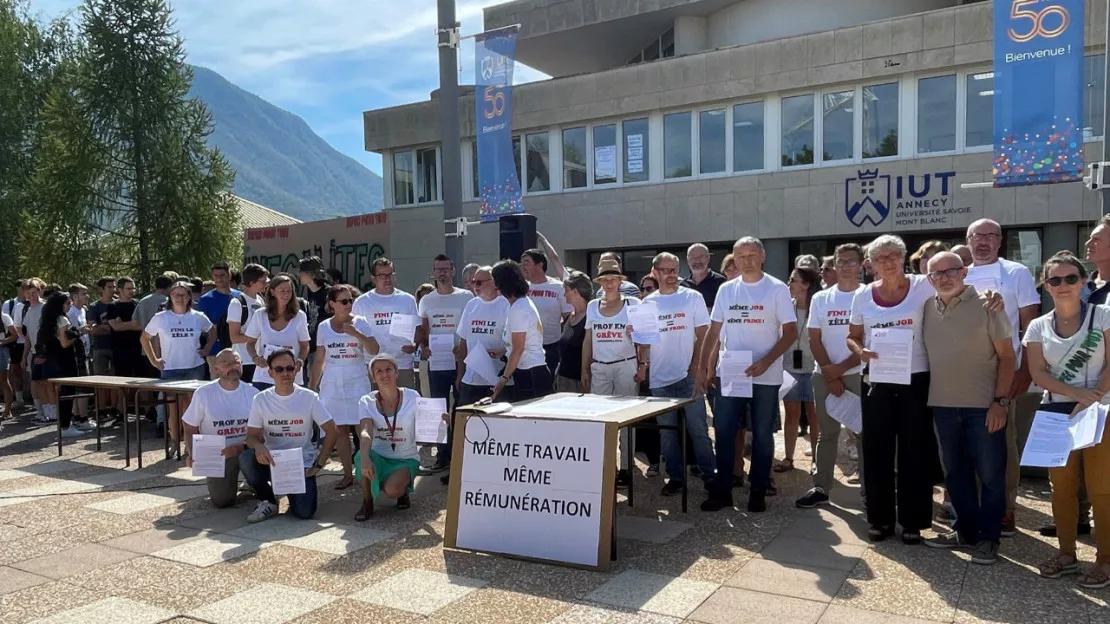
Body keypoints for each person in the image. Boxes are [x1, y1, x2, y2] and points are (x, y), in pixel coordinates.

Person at [920, 252, 1014, 565]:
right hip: (943, 406)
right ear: (929, 278)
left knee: (989, 475)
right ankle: (965, 530)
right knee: (955, 473)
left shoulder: (988, 305)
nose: (943, 277)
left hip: (983, 407)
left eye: (950, 271)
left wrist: (1000, 401)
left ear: (964, 273)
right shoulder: (926, 308)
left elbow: (1008, 357)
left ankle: (989, 538)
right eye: (936, 273)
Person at [1024, 253, 1110, 587]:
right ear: (1046, 286)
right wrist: (1077, 395)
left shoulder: (1102, 315)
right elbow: (1038, 373)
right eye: (1055, 280)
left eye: (1070, 278)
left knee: (1102, 488)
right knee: (1060, 488)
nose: (1063, 285)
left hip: (1101, 411)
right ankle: (1066, 553)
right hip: (1057, 412)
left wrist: (1093, 396)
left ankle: (1104, 560)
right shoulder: (1037, 325)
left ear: (1084, 282)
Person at [846, 235, 939, 543]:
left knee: (916, 449)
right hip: (877, 379)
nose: (887, 262)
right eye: (880, 258)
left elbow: (959, 291)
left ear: (903, 257)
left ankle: (913, 521)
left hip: (916, 377)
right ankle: (880, 520)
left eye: (893, 256)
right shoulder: (862, 295)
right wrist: (859, 351)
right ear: (871, 264)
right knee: (876, 449)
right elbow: (853, 336)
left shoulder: (924, 285)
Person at [700, 238, 797, 513]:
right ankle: (723, 491)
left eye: (752, 254)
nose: (747, 260)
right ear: (734, 259)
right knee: (724, 429)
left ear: (763, 256)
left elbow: (790, 332)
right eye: (741, 256)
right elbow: (714, 330)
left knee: (763, 434)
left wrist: (767, 361)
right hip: (732, 370)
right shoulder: (727, 290)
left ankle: (758, 491)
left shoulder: (776, 289)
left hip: (766, 373)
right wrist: (707, 367)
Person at [964, 219, 1042, 537]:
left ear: (999, 241)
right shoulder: (960, 274)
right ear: (967, 241)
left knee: (1003, 440)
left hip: (1004, 370)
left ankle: (1007, 507)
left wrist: (1025, 370)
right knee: (968, 439)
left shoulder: (1016, 273)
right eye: (977, 236)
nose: (983, 241)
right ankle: (968, 500)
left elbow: (1030, 325)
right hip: (966, 372)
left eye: (990, 236)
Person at [636, 252, 716, 497]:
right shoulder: (647, 303)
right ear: (655, 273)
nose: (672, 275)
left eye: (675, 270)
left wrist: (696, 367)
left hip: (688, 376)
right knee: (667, 434)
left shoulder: (692, 297)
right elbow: (643, 342)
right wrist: (641, 357)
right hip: (660, 378)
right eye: (666, 270)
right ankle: (675, 477)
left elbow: (704, 334)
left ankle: (710, 476)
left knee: (698, 430)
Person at [796, 243, 866, 509]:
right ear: (834, 265)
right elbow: (814, 339)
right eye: (841, 261)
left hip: (858, 373)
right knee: (826, 434)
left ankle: (868, 491)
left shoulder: (868, 295)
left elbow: (867, 340)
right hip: (824, 375)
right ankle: (821, 486)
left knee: (862, 433)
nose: (846, 266)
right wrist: (831, 374)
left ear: (860, 265)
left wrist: (841, 370)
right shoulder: (821, 298)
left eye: (851, 261)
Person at [241, 349, 340, 523]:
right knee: (246, 458)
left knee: (304, 513)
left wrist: (318, 464)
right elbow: (251, 437)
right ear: (270, 372)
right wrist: (258, 446)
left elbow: (332, 431)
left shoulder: (310, 397)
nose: (285, 373)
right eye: (279, 369)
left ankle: (291, 492)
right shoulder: (260, 399)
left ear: (296, 369)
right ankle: (268, 500)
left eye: (289, 368)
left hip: (301, 464)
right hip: (271, 460)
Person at [309, 284, 377, 491]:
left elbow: (374, 349)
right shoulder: (323, 327)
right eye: (344, 301)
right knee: (339, 430)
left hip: (356, 379)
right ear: (332, 304)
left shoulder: (361, 322)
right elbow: (320, 358)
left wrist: (356, 333)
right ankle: (348, 474)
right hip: (333, 383)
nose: (349, 305)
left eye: (351, 300)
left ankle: (367, 471)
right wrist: (313, 384)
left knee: (362, 427)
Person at [583, 258, 640, 486]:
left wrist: (635, 335)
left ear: (620, 281)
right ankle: (607, 464)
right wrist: (584, 369)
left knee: (627, 418)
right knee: (602, 419)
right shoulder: (592, 306)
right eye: (604, 279)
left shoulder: (633, 304)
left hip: (625, 363)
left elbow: (645, 338)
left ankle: (627, 466)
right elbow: (588, 339)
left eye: (613, 279)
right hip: (600, 367)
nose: (609, 284)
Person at [182, 349, 260, 508]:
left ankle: (253, 483)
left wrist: (241, 447)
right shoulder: (203, 394)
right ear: (216, 369)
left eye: (237, 362)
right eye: (227, 363)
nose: (233, 366)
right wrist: (193, 454)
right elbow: (189, 427)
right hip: (217, 454)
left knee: (255, 471)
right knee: (222, 501)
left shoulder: (254, 393)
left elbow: (263, 431)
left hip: (247, 450)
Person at [355, 354, 427, 520]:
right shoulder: (366, 401)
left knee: (393, 490)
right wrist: (365, 456)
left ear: (396, 372)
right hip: (378, 455)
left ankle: (402, 492)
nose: (384, 374)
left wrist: (440, 421)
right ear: (373, 377)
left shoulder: (413, 396)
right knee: (361, 457)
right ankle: (367, 501)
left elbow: (426, 424)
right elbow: (365, 430)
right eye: (378, 371)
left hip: (405, 457)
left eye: (388, 369)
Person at [418, 254, 473, 471]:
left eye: (445, 269)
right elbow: (423, 330)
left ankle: (461, 453)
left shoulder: (466, 297)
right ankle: (443, 455)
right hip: (438, 362)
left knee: (461, 408)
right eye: (438, 269)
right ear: (433, 272)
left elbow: (470, 328)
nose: (442, 273)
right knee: (438, 409)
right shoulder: (427, 300)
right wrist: (424, 347)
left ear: (453, 270)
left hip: (462, 362)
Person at [142, 281, 215, 440]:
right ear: (170, 296)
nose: (179, 298)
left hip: (194, 367)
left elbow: (213, 332)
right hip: (171, 369)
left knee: (190, 409)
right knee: (173, 409)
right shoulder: (161, 317)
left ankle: (189, 447)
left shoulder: (198, 316)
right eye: (175, 294)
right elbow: (145, 338)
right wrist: (154, 360)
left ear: (189, 297)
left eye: (183, 294)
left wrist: (206, 350)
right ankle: (175, 442)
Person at [486, 260, 552, 402]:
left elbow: (518, 349)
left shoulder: (519, 308)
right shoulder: (519, 304)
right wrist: (503, 351)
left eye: (494, 281)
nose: (492, 286)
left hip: (531, 372)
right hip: (527, 371)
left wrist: (503, 380)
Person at [777, 267, 820, 471]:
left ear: (806, 284)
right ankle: (788, 458)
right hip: (790, 367)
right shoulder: (786, 307)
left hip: (814, 368)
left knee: (815, 416)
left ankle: (816, 460)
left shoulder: (818, 307)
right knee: (791, 415)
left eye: (793, 280)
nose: (789, 284)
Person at [352, 258, 420, 390]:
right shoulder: (362, 302)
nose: (387, 279)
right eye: (382, 275)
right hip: (374, 365)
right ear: (373, 278)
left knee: (405, 405)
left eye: (390, 274)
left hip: (402, 364)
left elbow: (417, 329)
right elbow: (356, 335)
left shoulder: (407, 300)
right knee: (376, 406)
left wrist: (414, 344)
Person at [244, 275, 310, 391]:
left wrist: (300, 361)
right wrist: (255, 357)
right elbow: (250, 343)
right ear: (272, 292)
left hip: (290, 376)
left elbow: (305, 345)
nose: (286, 294)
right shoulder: (260, 315)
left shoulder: (299, 316)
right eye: (282, 290)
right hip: (264, 376)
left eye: (289, 291)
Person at [520, 248, 571, 381]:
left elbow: (568, 317)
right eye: (522, 263)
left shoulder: (558, 287)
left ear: (540, 265)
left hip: (551, 347)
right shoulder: (522, 288)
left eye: (526, 262)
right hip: (526, 347)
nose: (522, 266)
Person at [635, 276, 661, 476]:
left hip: (665, 371)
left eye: (649, 288)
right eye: (642, 289)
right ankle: (653, 461)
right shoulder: (638, 311)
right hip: (644, 369)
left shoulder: (666, 310)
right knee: (648, 420)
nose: (644, 293)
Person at [226, 264, 269, 384]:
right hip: (244, 360)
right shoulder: (237, 303)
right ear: (252, 282)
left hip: (260, 358)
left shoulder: (260, 300)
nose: (266, 284)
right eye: (263, 281)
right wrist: (256, 336)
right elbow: (234, 337)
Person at [196, 262, 242, 374]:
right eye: (215, 276)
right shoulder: (205, 299)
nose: (219, 279)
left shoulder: (241, 296)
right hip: (215, 350)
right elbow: (200, 327)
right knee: (217, 383)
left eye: (222, 275)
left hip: (239, 349)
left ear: (229, 275)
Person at [18, 279, 48, 423]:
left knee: (46, 382)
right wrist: (25, 356)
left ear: (40, 291)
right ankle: (40, 412)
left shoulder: (45, 307)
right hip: (34, 352)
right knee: (36, 382)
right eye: (28, 293)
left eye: (34, 292)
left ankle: (50, 412)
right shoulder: (28, 310)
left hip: (46, 352)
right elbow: (29, 337)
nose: (32, 296)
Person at [556, 272, 591, 392]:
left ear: (576, 291)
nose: (564, 294)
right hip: (563, 379)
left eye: (566, 290)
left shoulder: (591, 317)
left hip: (581, 381)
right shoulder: (567, 318)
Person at [66, 284, 93, 430]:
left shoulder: (83, 310)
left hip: (85, 352)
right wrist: (82, 331)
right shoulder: (71, 313)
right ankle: (82, 418)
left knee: (79, 386)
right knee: (82, 387)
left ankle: (77, 416)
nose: (87, 296)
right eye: (84, 293)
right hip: (76, 353)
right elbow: (70, 334)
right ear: (74, 296)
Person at [106, 277, 143, 379]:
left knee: (141, 377)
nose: (132, 291)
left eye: (133, 288)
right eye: (128, 289)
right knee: (122, 378)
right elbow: (116, 327)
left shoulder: (138, 304)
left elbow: (142, 325)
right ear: (120, 290)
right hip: (120, 349)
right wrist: (133, 324)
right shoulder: (113, 306)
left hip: (138, 348)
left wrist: (124, 324)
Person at [681, 243, 727, 311]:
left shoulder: (720, 282)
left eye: (701, 257)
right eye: (693, 257)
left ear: (708, 258)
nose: (697, 261)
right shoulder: (682, 286)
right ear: (688, 260)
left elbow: (725, 309)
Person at [4, 280, 26, 413]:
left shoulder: (32, 302)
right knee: (16, 370)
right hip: (15, 342)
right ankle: (19, 399)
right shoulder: (10, 304)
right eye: (22, 287)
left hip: (29, 341)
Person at [0, 300, 17, 419]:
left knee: (3, 380)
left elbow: (15, 335)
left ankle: (8, 410)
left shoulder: (4, 317)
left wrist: (2, 342)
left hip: (2, 351)